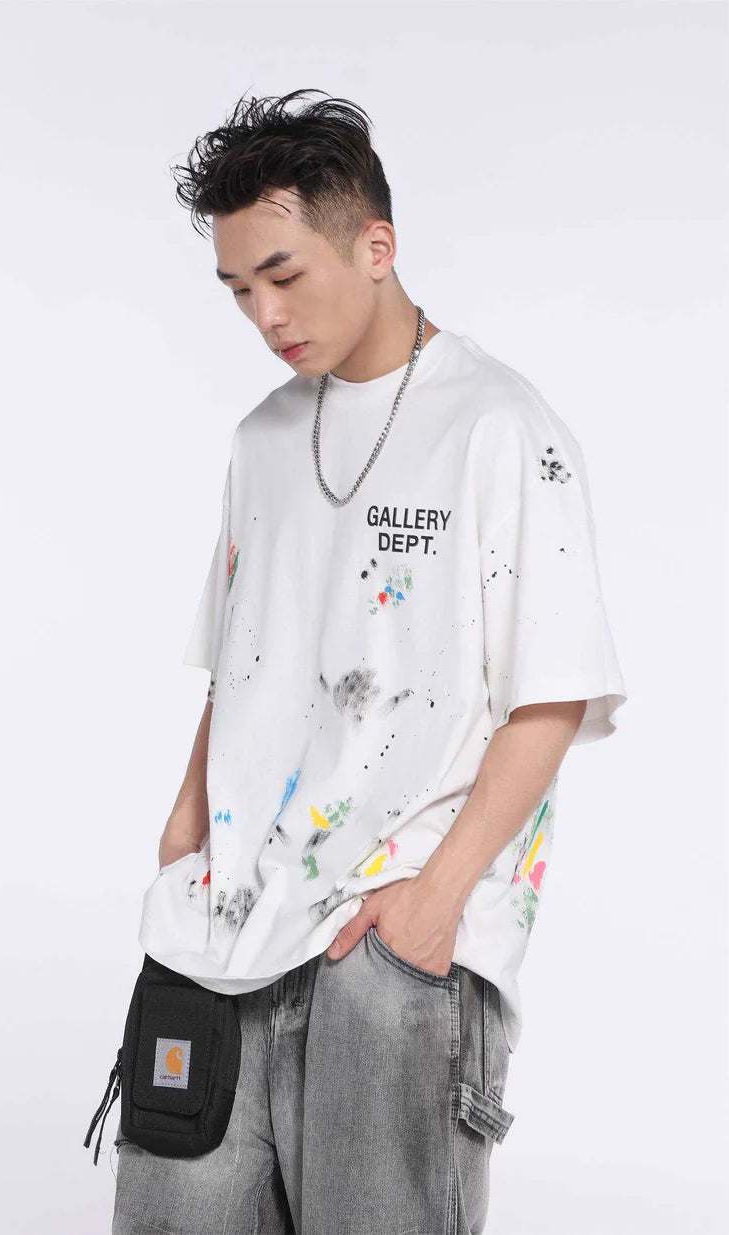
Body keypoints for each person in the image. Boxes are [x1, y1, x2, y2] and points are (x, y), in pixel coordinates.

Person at [110, 88, 628, 1235]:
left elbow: (551, 694)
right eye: (238, 289)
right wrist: (184, 826)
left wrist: (435, 902)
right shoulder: (259, 439)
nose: (264, 315)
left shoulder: (499, 426)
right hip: (218, 934)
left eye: (283, 275)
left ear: (375, 246)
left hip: (385, 954)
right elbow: (238, 657)